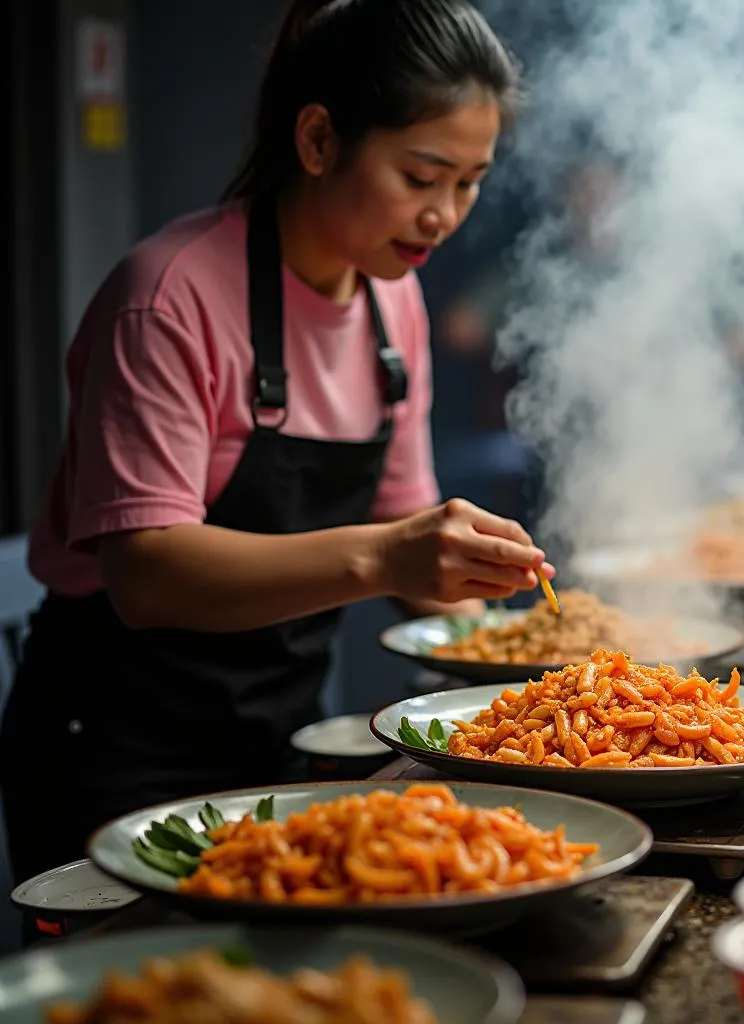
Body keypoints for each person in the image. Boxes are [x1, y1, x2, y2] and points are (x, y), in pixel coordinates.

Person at [0, 0, 552, 886]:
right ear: (319, 140)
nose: (445, 214)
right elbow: (146, 574)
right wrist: (388, 556)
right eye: (422, 175)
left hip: (282, 743)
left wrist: (544, 667)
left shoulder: (390, 301)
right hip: (118, 747)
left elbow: (409, 534)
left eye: (470, 181)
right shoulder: (169, 298)